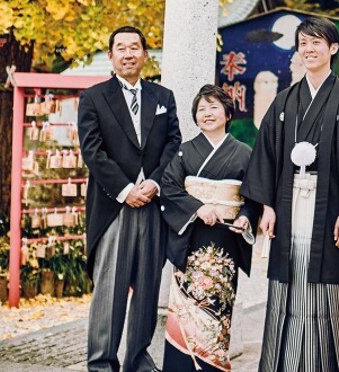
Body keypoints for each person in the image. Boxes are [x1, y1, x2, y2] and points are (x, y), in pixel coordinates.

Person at [242, 15, 339, 372]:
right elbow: (266, 154)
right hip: (288, 206)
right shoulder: (285, 101)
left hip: (330, 206)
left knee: (331, 281)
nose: (309, 49)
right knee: (290, 278)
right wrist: (266, 206)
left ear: (333, 49)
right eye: (303, 43)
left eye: (317, 42)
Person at [79, 26, 182, 372]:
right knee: (110, 289)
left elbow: (173, 144)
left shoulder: (163, 97)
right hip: (114, 206)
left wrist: (154, 183)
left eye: (134, 47)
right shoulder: (93, 98)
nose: (128, 54)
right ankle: (102, 363)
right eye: (120, 48)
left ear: (145, 55)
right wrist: (126, 191)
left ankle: (137, 360)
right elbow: (92, 152)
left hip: (152, 203)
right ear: (110, 56)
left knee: (148, 285)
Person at [159, 84, 259, 372]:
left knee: (217, 312)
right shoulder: (184, 153)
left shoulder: (243, 153)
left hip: (225, 243)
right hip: (191, 240)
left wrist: (245, 217)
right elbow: (169, 188)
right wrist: (197, 208)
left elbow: (253, 197)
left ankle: (213, 366)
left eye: (214, 107)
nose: (207, 113)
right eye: (201, 109)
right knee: (185, 312)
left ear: (228, 113)